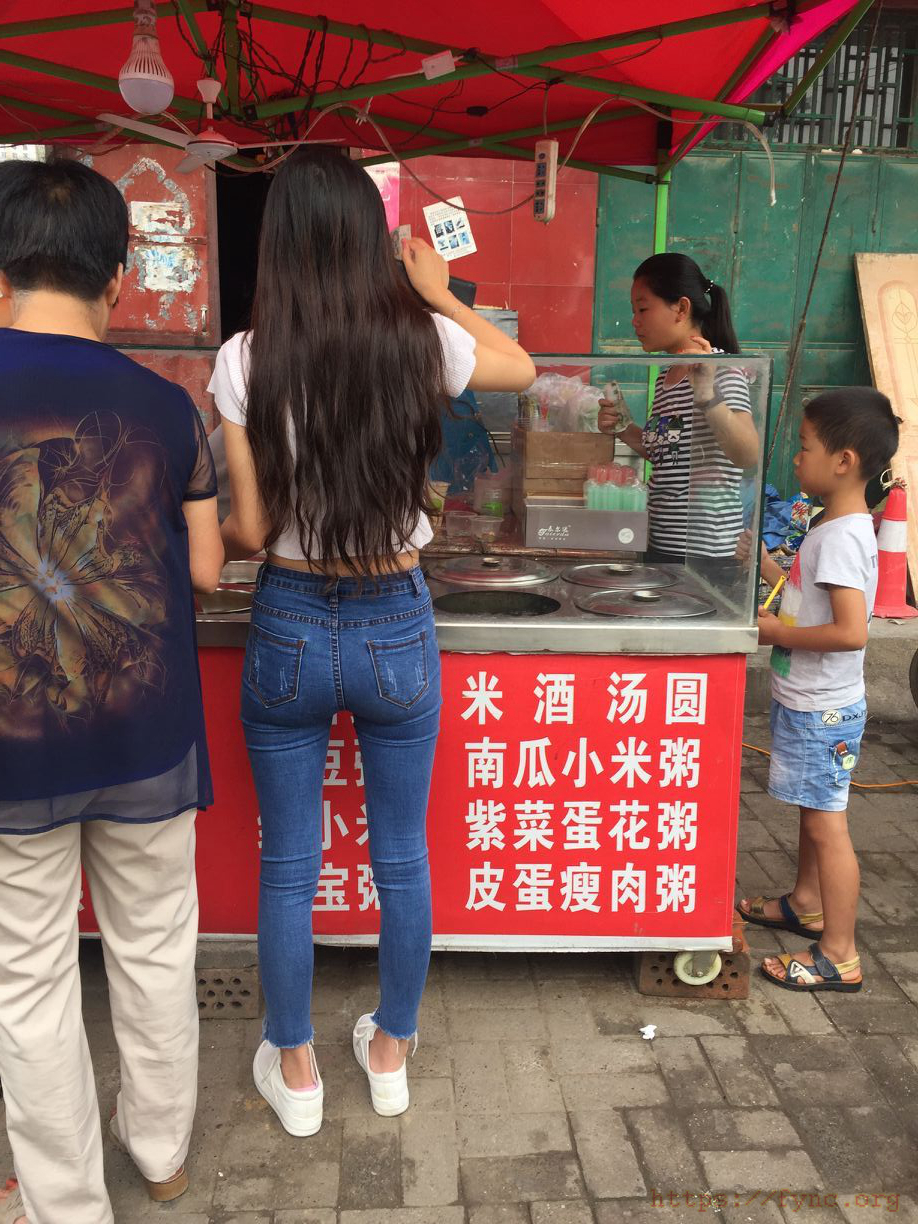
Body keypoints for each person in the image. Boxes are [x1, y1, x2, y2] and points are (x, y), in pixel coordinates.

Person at [210, 147, 534, 1136]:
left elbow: (251, 532)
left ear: (278, 244)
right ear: (370, 241)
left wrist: (218, 529)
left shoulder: (244, 358)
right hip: (397, 617)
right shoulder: (421, 341)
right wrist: (434, 290)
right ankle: (390, 1052)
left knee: (287, 864)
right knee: (402, 853)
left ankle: (296, 1067)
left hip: (289, 620)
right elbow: (522, 370)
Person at [0, 157, 223, 1224]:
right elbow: (207, 567)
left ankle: (66, 1204)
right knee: (155, 947)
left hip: (11, 748)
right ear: (119, 278)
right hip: (144, 735)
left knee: (27, 976)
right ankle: (163, 1152)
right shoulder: (166, 406)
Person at [737, 388, 899, 992]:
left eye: (805, 447)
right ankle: (806, 904)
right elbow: (811, 591)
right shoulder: (833, 526)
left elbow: (852, 631)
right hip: (809, 698)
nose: (796, 458)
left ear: (844, 461)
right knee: (813, 814)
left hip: (822, 709)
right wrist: (766, 567)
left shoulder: (843, 536)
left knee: (828, 824)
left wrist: (776, 632)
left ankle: (839, 953)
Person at [598, 253, 759, 565]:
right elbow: (667, 454)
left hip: (704, 555)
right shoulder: (666, 378)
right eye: (633, 311)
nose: (635, 320)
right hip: (661, 543)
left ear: (682, 309)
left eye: (643, 309)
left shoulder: (722, 369)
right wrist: (623, 427)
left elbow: (747, 455)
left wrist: (706, 393)